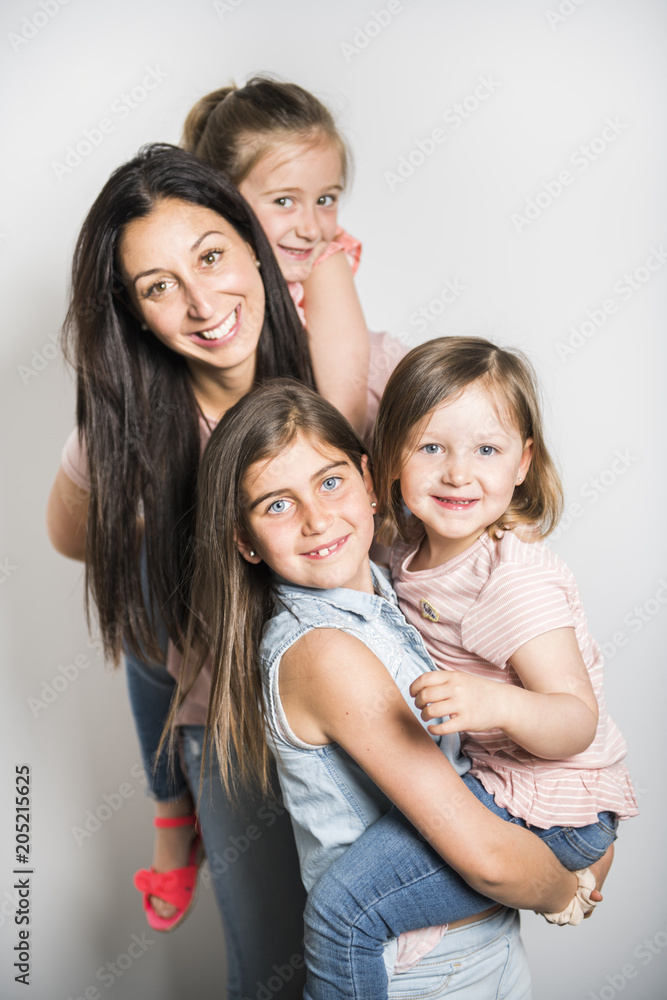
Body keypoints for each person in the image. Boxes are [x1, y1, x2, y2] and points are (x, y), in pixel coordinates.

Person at [45, 141, 372, 999]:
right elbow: (73, 538)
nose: (201, 304)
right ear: (136, 313)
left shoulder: (360, 367)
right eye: (158, 287)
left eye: (212, 256)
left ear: (252, 242)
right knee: (271, 976)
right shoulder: (128, 432)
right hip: (228, 730)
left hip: (374, 717)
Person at [179, 378, 611, 1000]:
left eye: (330, 482)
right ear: (243, 540)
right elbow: (484, 854)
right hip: (427, 976)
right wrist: (567, 887)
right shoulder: (325, 653)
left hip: (488, 950)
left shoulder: (391, 584)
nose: (318, 518)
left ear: (367, 480)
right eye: (277, 504)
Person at [119, 76, 380, 942]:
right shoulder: (162, 376)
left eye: (327, 199)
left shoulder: (326, 290)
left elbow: (333, 417)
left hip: (318, 668)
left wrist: (331, 262)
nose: (311, 222)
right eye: (285, 201)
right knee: (143, 591)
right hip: (213, 687)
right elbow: (80, 533)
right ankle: (171, 808)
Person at [297, 336, 638, 997]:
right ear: (389, 456)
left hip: (545, 805)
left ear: (522, 463)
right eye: (431, 447)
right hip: (496, 780)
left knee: (344, 912)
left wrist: (492, 704)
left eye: (486, 449)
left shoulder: (509, 585)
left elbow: (574, 719)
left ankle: (583, 860)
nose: (458, 472)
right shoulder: (404, 547)